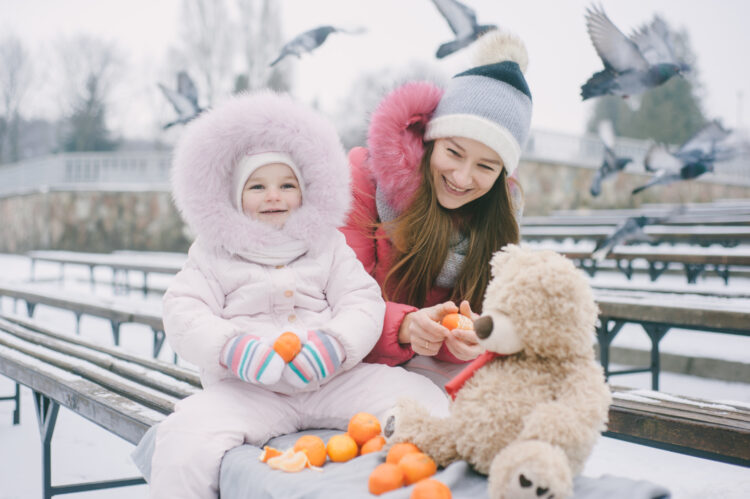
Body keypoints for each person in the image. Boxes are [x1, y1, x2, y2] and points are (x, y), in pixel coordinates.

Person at [146, 91, 449, 498]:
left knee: (424, 400)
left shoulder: (326, 245)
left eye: (286, 184)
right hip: (249, 389)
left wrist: (335, 346)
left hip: (331, 378)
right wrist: (232, 349)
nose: (274, 195)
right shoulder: (213, 253)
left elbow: (361, 300)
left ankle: (430, 470)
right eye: (258, 186)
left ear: (304, 193)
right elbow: (184, 311)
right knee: (183, 440)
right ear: (236, 198)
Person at [341, 31, 533, 383]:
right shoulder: (366, 181)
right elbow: (335, 301)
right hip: (345, 371)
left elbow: (477, 316)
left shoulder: (497, 221)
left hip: (425, 379)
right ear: (431, 140)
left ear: (502, 176)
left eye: (486, 166)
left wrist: (464, 339)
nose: (462, 177)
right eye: (453, 152)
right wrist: (403, 326)